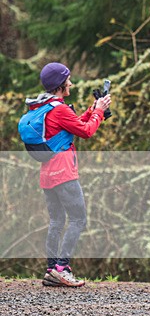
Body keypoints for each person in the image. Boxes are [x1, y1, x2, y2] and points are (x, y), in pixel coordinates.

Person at [27, 62, 111, 287]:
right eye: (68, 80)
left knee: (56, 221)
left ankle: (51, 270)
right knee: (78, 219)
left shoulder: (45, 107)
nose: (71, 83)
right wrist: (100, 112)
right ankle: (62, 268)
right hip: (64, 174)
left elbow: (74, 125)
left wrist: (94, 110)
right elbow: (86, 131)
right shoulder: (60, 109)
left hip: (47, 174)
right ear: (60, 85)